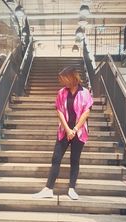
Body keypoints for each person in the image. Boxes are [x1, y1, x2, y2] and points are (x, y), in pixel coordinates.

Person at [33, 66, 93, 200]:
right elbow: (59, 111)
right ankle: (48, 188)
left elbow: (86, 112)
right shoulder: (61, 92)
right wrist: (67, 129)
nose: (62, 82)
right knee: (56, 158)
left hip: (79, 131)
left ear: (72, 77)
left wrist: (75, 130)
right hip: (64, 130)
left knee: (75, 160)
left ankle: (72, 188)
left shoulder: (85, 93)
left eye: (63, 78)